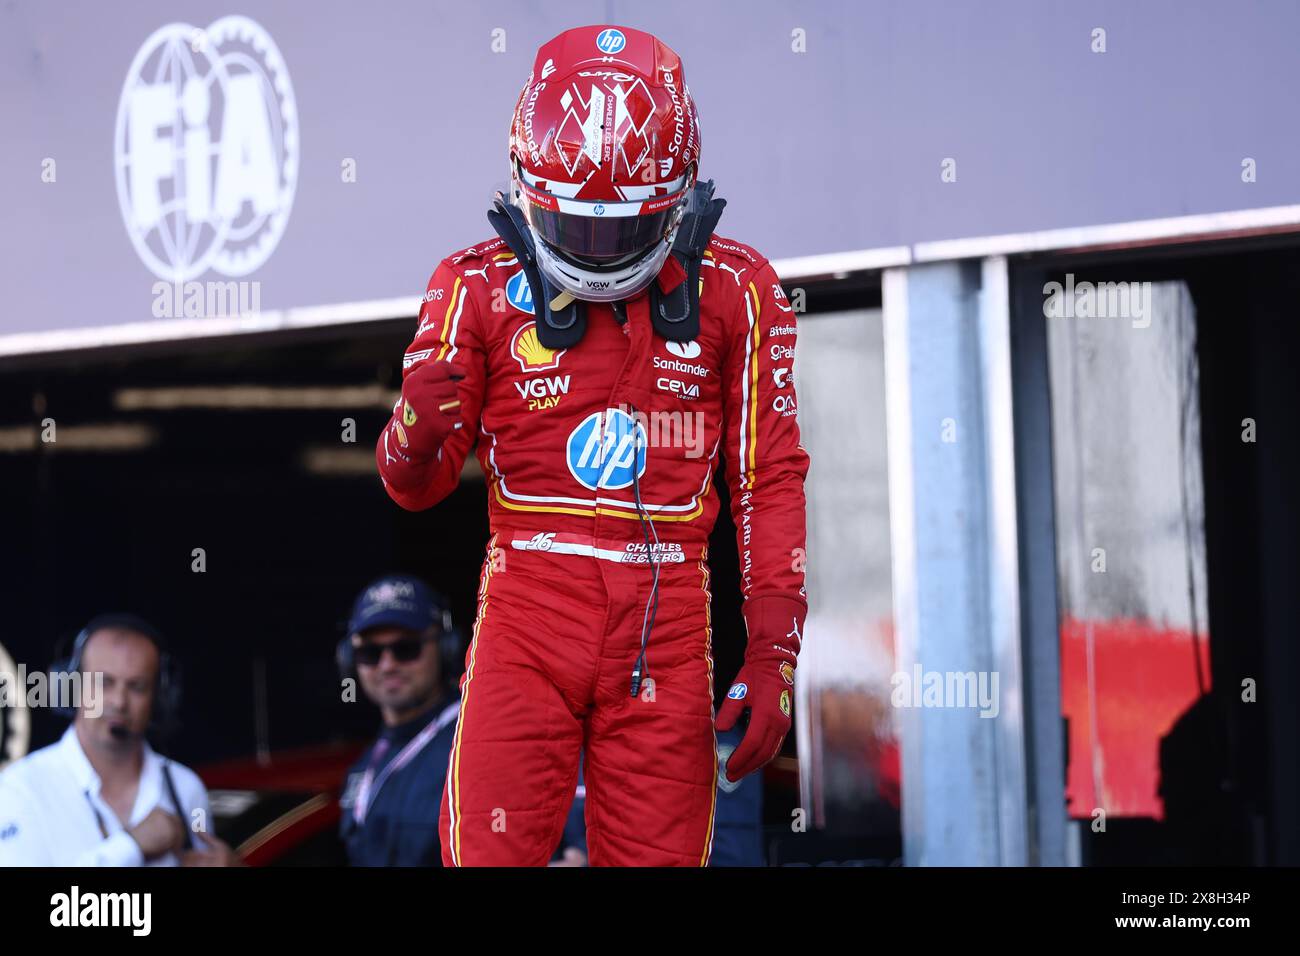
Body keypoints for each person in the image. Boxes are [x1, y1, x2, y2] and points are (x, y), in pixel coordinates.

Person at [375, 25, 809, 866]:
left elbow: (770, 477)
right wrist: (413, 429)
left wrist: (774, 648)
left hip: (670, 619)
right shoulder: (470, 285)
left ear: (677, 198)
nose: (596, 250)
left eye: (619, 231)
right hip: (529, 610)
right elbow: (414, 489)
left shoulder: (739, 288)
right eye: (574, 226)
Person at [337, 574, 586, 865]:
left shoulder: (490, 737)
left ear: (446, 647)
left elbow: (581, 851)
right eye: (371, 653)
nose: (388, 665)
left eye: (407, 649)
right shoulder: (364, 765)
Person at [0, 613, 239, 866]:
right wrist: (131, 846)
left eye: (136, 686)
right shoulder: (19, 789)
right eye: (105, 682)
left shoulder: (186, 789)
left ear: (159, 699)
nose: (119, 702)